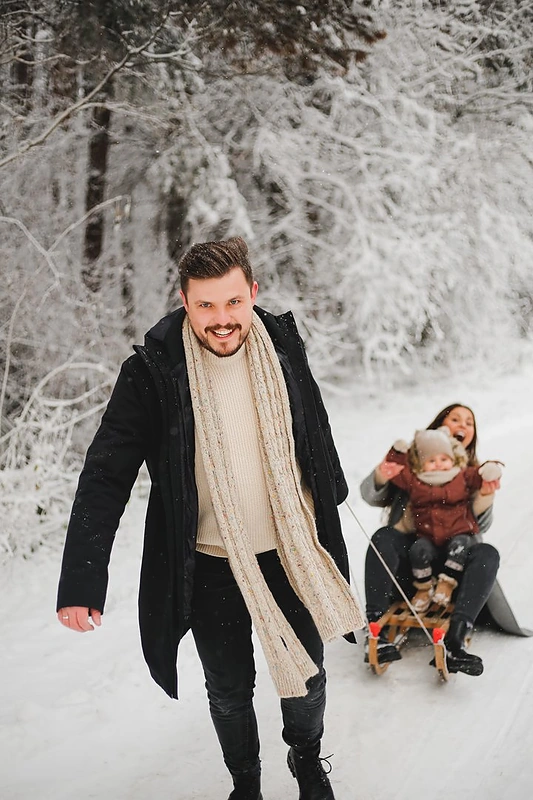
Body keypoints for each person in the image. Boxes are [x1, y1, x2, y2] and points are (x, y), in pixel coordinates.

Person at [56, 236, 364, 800]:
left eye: (233, 302)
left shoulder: (283, 347)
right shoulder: (153, 371)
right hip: (210, 561)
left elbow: (312, 427)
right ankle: (245, 781)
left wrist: (331, 489)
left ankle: (305, 758)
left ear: (253, 293)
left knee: (308, 676)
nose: (222, 319)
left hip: (290, 551)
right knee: (228, 689)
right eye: (205, 305)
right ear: (184, 301)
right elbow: (104, 475)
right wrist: (81, 579)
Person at [360, 404, 501, 676]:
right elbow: (370, 496)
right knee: (383, 537)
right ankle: (375, 630)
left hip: (455, 567)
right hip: (413, 563)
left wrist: (485, 494)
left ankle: (455, 641)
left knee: (487, 553)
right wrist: (382, 474)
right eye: (455, 419)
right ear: (439, 425)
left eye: (469, 422)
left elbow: (481, 525)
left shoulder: (472, 473)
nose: (462, 425)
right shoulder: (415, 464)